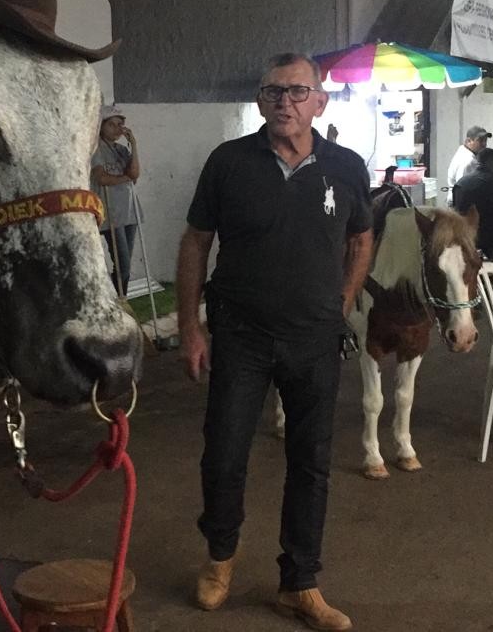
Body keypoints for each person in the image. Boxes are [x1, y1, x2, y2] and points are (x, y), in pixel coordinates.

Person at [176, 52, 373, 631]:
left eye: (296, 91)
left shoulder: (346, 166)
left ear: (320, 101)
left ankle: (300, 583)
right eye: (272, 92)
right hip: (241, 336)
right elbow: (195, 243)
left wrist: (337, 305)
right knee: (225, 453)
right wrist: (191, 327)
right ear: (260, 101)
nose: (284, 102)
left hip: (314, 341)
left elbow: (361, 241)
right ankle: (220, 559)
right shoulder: (229, 163)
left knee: (311, 464)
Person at [91, 104, 140, 295]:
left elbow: (136, 173)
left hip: (129, 210)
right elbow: (102, 178)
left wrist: (134, 145)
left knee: (124, 264)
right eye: (113, 124)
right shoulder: (96, 150)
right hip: (111, 214)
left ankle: (121, 298)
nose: (119, 129)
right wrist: (127, 178)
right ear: (102, 126)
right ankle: (119, 300)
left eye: (121, 125)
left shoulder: (121, 149)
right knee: (123, 265)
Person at [444, 125, 491, 204]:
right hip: (462, 204)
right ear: (468, 141)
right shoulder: (468, 161)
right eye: (480, 140)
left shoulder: (463, 152)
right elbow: (463, 189)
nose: (484, 144)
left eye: (485, 140)